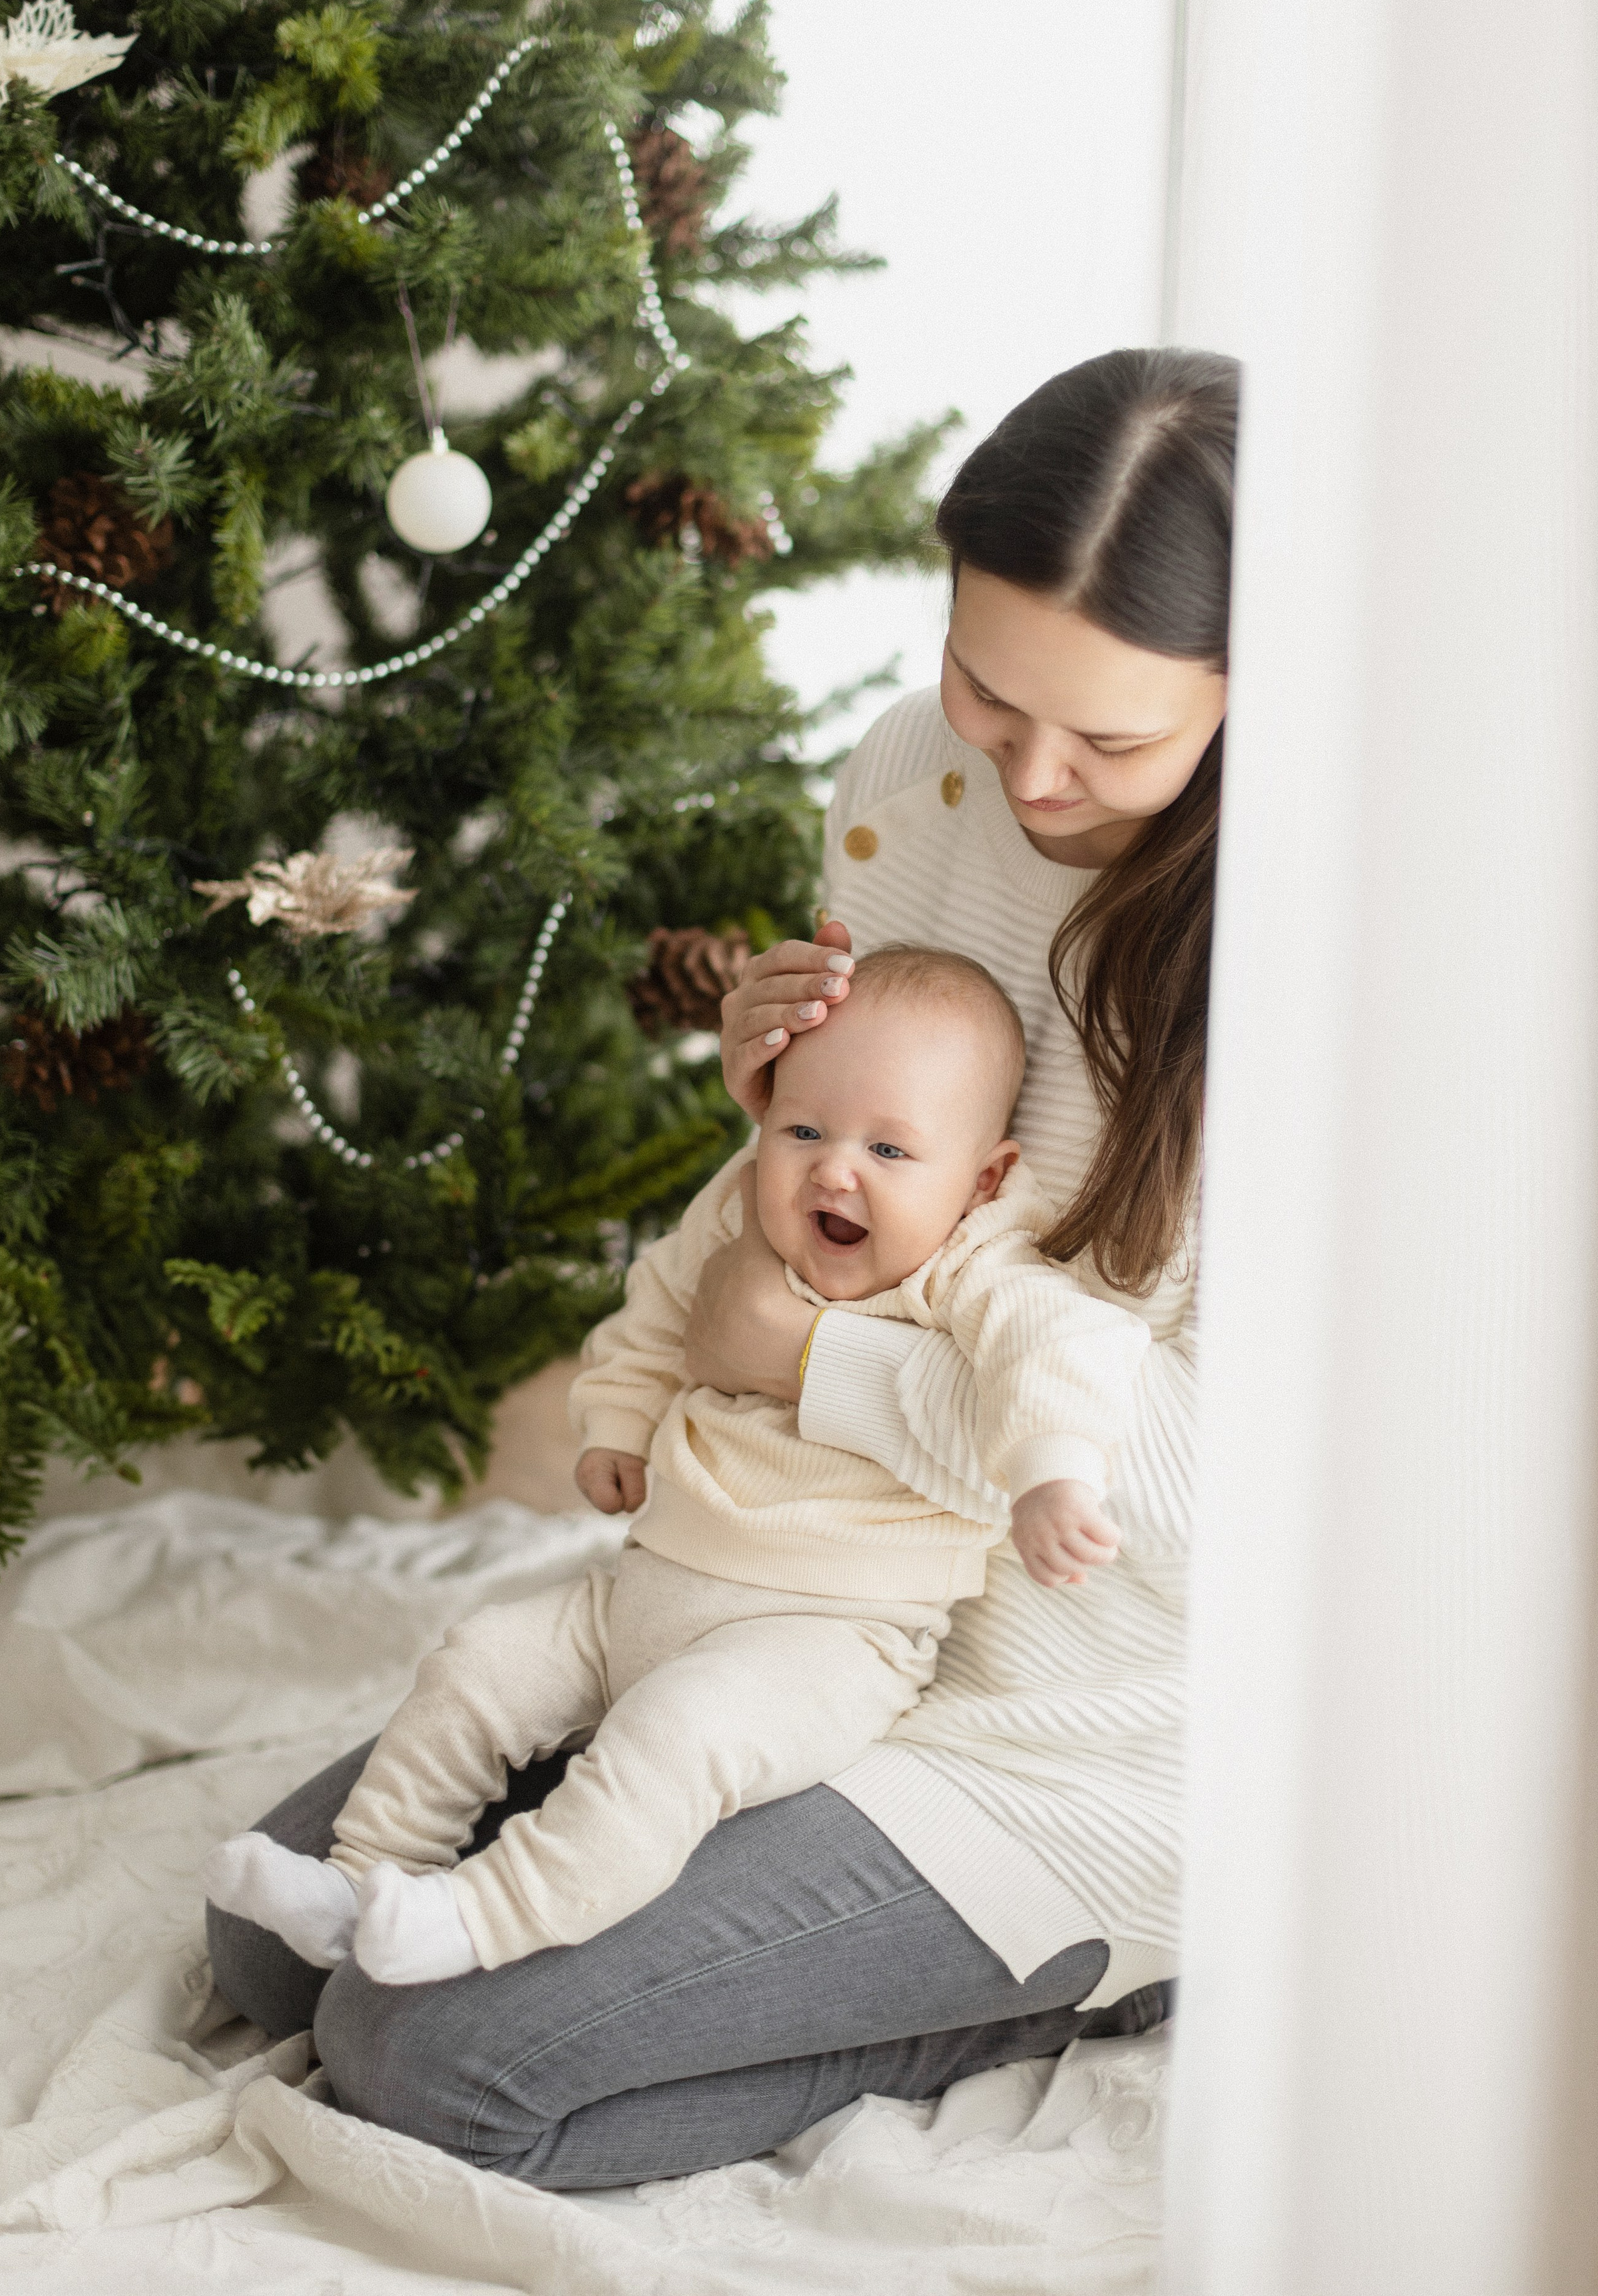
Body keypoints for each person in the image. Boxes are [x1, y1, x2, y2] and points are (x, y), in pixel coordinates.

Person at [206, 346, 1234, 2189]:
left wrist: (794, 1357)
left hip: (1069, 1724)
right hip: (780, 1589)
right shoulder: (922, 779)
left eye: (1115, 739)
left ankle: (1069, 1980)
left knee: (434, 2062)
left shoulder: (1319, 963)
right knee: (273, 1944)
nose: (1032, 776)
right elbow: (848, 1210)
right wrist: (784, 1108)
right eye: (989, 690)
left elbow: (1211, 1505)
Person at [201, 946, 1147, 1987]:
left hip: (823, 1639)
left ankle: (477, 1916)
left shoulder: (979, 1263)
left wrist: (1053, 1473)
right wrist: (617, 1417)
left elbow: (1057, 1355)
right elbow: (662, 1302)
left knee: (668, 1743)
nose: (835, 1169)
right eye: (803, 1130)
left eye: (889, 1147)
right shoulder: (745, 1204)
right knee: (477, 1661)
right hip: (646, 1589)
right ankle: (363, 1874)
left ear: (985, 1178)